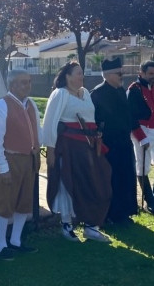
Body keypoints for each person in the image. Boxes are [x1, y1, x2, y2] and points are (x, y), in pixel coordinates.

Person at [42, 61, 112, 242]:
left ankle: (90, 226)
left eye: (82, 73)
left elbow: (90, 119)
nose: (82, 76)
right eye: (78, 73)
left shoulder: (86, 93)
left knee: (94, 182)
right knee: (68, 182)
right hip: (68, 146)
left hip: (89, 146)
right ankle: (67, 224)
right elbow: (50, 123)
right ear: (67, 76)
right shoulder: (60, 94)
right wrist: (50, 149)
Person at [0, 69, 41, 260]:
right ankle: (2, 244)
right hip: (9, 159)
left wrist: (37, 151)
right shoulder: (0, 106)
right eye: (22, 82)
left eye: (28, 82)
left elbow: (37, 130)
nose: (27, 85)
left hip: (28, 158)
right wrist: (3, 167)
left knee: (23, 202)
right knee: (5, 202)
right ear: (12, 85)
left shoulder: (31, 104)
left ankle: (16, 240)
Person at [90, 58, 137, 223]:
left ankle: (124, 212)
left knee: (126, 176)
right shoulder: (97, 93)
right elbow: (94, 120)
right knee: (112, 179)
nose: (121, 76)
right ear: (108, 75)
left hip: (124, 142)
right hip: (108, 145)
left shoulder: (120, 90)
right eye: (119, 73)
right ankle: (111, 214)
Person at [127, 60, 154, 214]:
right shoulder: (134, 89)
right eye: (150, 74)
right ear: (141, 73)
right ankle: (150, 201)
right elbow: (130, 117)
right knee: (143, 166)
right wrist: (141, 137)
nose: (152, 77)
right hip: (141, 130)